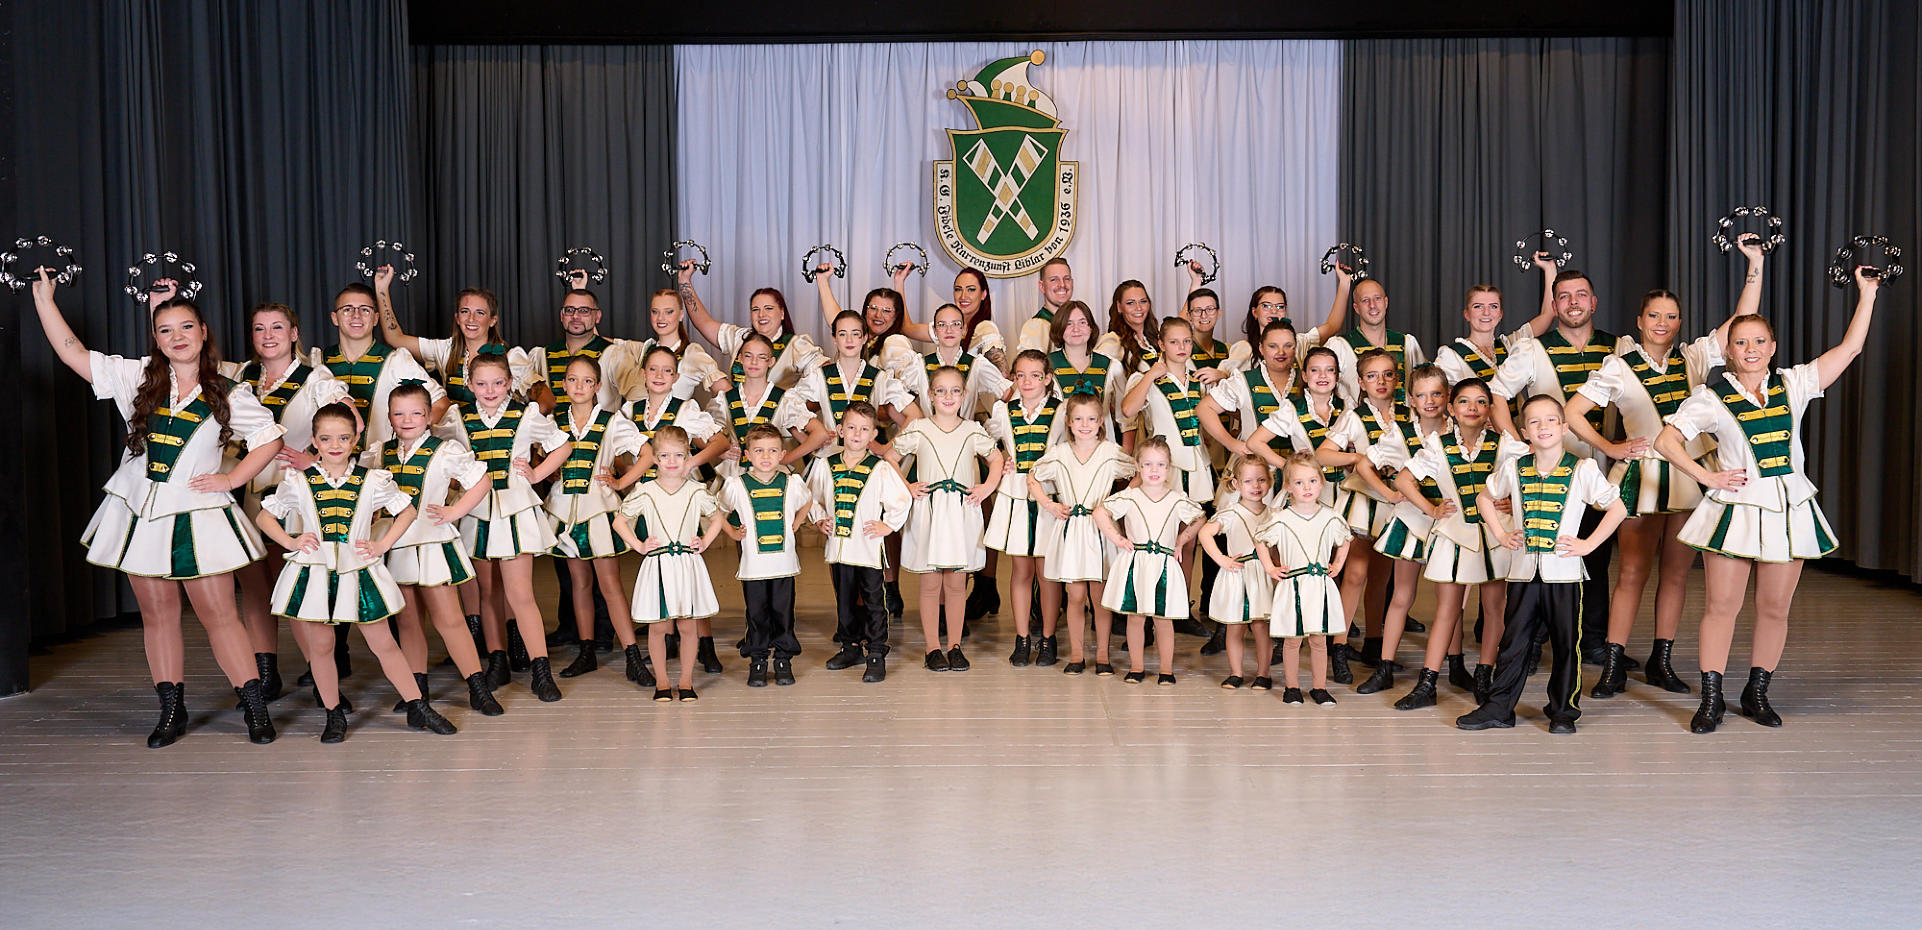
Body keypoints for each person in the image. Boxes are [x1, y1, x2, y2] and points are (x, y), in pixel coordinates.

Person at [32, 272, 286, 746]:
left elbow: (269, 439)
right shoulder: (136, 378)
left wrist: (231, 480)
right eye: (166, 330)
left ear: (203, 331)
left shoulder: (230, 391)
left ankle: (254, 707)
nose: (177, 337)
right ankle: (172, 711)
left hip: (199, 516)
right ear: (156, 337)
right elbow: (71, 353)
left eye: (186, 327)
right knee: (158, 616)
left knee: (220, 616)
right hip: (141, 515)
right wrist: (44, 299)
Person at [1654, 265, 1882, 733]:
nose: (1751, 349)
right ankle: (1712, 699)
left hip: (1789, 508)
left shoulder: (1794, 384)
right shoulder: (1710, 397)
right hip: (1736, 509)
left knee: (1775, 608)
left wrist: (1868, 293)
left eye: (1759, 341)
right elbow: (1665, 441)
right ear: (1729, 351)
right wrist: (1706, 476)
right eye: (1741, 342)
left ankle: (1756, 692)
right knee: (1722, 607)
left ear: (1773, 347)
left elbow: (1850, 349)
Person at [256, 403, 458, 742]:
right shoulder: (299, 481)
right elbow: (265, 517)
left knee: (384, 643)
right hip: (316, 571)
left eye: (343, 438)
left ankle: (418, 706)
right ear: (314, 442)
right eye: (326, 438)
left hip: (359, 570)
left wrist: (383, 545)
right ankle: (333, 713)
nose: (335, 445)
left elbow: (407, 512)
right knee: (322, 646)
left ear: (354, 440)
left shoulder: (372, 480)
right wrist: (291, 541)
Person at [1459, 395, 1627, 734]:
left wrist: (1588, 545)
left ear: (1564, 428)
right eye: (1534, 421)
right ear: (1525, 432)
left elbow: (1618, 508)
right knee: (1513, 642)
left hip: (1564, 574)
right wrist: (1501, 534)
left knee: (1566, 644)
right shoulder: (1514, 467)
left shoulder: (1582, 468)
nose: (1543, 426)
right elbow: (1484, 498)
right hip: (1522, 574)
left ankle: (1563, 710)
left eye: (1551, 420)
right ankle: (1499, 708)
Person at [1487, 267, 1621, 665]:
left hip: (1597, 470)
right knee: (1537, 557)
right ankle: (1529, 643)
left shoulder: (1619, 348)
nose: (1573, 302)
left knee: (1595, 558)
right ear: (1554, 304)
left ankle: (1591, 640)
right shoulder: (1531, 349)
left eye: (1580, 295)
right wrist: (1517, 445)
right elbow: (1497, 393)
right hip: (1542, 472)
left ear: (1593, 302)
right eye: (1564, 296)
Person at [223, 301, 350, 701]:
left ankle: (322, 678)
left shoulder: (316, 377)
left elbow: (350, 423)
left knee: (293, 586)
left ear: (294, 334)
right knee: (254, 587)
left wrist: (315, 458)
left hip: (291, 496)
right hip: (245, 492)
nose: (268, 336)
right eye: (259, 328)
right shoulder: (241, 377)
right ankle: (266, 674)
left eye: (277, 327)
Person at [367, 380, 503, 717]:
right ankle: (418, 691)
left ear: (429, 416)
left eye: (416, 413)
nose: (407, 420)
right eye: (399, 413)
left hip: (431, 542)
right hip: (395, 545)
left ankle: (477, 687)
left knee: (450, 620)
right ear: (389, 416)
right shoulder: (379, 452)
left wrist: (455, 512)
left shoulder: (445, 450)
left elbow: (482, 481)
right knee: (408, 621)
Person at [1388, 378, 1523, 711]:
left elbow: (1533, 471)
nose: (1472, 408)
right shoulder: (1437, 445)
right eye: (1464, 401)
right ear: (1451, 408)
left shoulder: (1504, 444)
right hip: (1454, 533)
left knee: (1495, 609)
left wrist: (1512, 502)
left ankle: (1484, 676)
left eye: (1481, 401)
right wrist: (1431, 509)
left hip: (1494, 536)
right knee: (1447, 610)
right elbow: (1403, 480)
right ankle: (1428, 683)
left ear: (1489, 409)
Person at [458, 354, 572, 700]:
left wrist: (537, 474)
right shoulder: (457, 418)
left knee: (520, 594)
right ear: (469, 385)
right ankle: (498, 660)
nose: (490, 390)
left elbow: (563, 446)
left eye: (497, 382)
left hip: (516, 511)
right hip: (477, 513)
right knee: (487, 592)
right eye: (481, 383)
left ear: (509, 383)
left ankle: (541, 670)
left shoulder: (527, 415)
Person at [885, 366, 1005, 671]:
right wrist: (907, 485)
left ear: (964, 395)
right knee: (930, 583)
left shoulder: (972, 430)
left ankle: (955, 645)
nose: (948, 396)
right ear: (930, 395)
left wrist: (986, 488)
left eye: (955, 391)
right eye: (941, 391)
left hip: (961, 512)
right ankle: (932, 648)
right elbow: (890, 458)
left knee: (956, 583)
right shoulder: (919, 428)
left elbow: (996, 458)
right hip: (931, 512)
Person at [543, 356, 653, 685]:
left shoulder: (612, 420)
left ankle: (632, 656)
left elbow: (647, 454)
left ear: (598, 386)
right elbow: (539, 455)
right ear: (564, 384)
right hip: (564, 511)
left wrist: (620, 483)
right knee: (579, 584)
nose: (579, 386)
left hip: (599, 509)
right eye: (573, 379)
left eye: (587, 381)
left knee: (610, 585)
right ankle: (586, 650)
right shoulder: (552, 422)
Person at [613, 425, 730, 702]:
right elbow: (619, 521)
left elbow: (717, 518)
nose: (672, 461)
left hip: (687, 564)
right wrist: (639, 545)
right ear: (655, 458)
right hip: (658, 564)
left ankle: (686, 681)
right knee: (658, 626)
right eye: (665, 456)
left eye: (678, 455)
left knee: (688, 626)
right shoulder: (645, 491)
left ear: (687, 456)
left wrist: (705, 541)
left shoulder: (696, 490)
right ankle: (662, 682)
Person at [1358, 363, 1453, 694]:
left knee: (1450, 600)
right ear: (1411, 400)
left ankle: (1455, 666)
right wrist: (1389, 494)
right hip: (1412, 520)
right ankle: (1384, 667)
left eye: (1437, 394)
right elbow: (1364, 464)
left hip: (1449, 522)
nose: (1430, 401)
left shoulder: (1458, 429)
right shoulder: (1399, 434)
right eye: (1422, 395)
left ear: (1447, 396)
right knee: (1401, 596)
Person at [1316, 351, 1410, 680]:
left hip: (1395, 503)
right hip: (1363, 503)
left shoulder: (1408, 414)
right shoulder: (1354, 417)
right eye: (1372, 376)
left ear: (1397, 379)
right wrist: (1358, 459)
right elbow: (1323, 454)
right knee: (1355, 575)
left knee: (1381, 579)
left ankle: (1374, 643)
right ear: (1360, 382)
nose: (1380, 382)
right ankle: (1339, 648)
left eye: (1387, 374)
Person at [1029, 392, 1136, 676]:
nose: (1084, 425)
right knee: (1075, 595)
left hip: (1099, 530)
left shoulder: (1111, 452)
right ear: (1068, 422)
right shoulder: (1060, 453)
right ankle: (1077, 655)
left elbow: (1137, 472)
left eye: (1091, 419)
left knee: (1099, 598)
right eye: (1078, 419)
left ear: (1101, 422)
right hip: (1072, 531)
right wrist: (1049, 504)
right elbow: (1033, 477)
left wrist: (1116, 504)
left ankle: (1102, 655)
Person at [809, 402, 914, 682]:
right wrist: (820, 519)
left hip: (867, 549)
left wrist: (888, 525)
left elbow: (902, 499)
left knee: (873, 601)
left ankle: (876, 652)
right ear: (840, 430)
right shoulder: (825, 465)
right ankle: (850, 647)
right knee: (844, 601)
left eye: (864, 429)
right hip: (838, 549)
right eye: (852, 427)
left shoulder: (880, 469)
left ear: (873, 435)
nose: (857, 434)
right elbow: (811, 498)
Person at [1097, 436, 1206, 685]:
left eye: (1160, 465)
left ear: (1169, 468)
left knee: (1163, 619)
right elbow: (1101, 512)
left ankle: (1166, 670)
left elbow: (1200, 518)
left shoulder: (1176, 499)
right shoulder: (1130, 496)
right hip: (1137, 564)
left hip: (1164, 565)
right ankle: (1136, 667)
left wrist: (1181, 540)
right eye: (1147, 464)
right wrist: (1117, 538)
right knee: (1136, 617)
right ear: (1138, 466)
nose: (1154, 470)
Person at [717, 425, 818, 687]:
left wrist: (797, 522)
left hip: (784, 565)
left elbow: (807, 500)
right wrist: (732, 532)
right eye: (759, 450)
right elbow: (717, 510)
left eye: (772, 451)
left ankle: (783, 659)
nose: (765, 456)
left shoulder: (791, 483)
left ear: (782, 454)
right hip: (754, 567)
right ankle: (758, 660)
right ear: (747, 455)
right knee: (756, 615)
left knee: (783, 614)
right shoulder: (737, 485)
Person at [1257, 452, 1355, 706]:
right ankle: (1292, 688)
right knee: (1292, 639)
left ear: (1321, 482)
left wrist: (1337, 564)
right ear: (1288, 487)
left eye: (1312, 481)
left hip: (1319, 586)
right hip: (1294, 586)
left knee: (1319, 639)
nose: (1307, 487)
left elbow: (1345, 540)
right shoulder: (1281, 519)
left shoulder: (1330, 517)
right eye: (1299, 482)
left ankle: (1319, 688)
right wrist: (1270, 567)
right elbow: (1261, 541)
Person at [984, 350, 1063, 665]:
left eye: (1035, 375)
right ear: (1013, 378)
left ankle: (1048, 638)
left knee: (1047, 573)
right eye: (1021, 375)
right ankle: (1022, 638)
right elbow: (988, 444)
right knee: (1021, 570)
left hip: (1049, 496)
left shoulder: (1062, 410)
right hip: (1015, 495)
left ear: (1047, 378)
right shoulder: (1004, 411)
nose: (1027, 381)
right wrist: (1002, 459)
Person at [677, 263, 822, 390]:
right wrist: (684, 281)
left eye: (768, 308)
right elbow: (703, 322)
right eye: (755, 309)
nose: (761, 314)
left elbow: (824, 377)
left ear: (782, 313)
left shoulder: (796, 345)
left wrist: (801, 407)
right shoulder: (740, 337)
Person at [1201, 456, 1276, 690]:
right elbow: (1204, 533)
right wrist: (1221, 558)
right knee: (1235, 626)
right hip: (1238, 573)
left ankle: (1263, 674)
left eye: (1261, 480)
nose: (1256, 486)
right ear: (1236, 484)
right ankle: (1236, 673)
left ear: (1270, 481)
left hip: (1263, 574)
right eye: (1249, 481)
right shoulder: (1231, 513)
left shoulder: (1274, 514)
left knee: (1261, 627)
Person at [1322, 266, 1427, 408]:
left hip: (1405, 420)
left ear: (1386, 302)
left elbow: (1425, 385)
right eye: (1365, 300)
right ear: (1356, 308)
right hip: (1356, 421)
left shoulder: (1407, 343)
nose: (1372, 305)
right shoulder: (1339, 346)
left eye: (1377, 299)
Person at [1016, 256, 1078, 352]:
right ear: (1042, 286)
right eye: (1054, 280)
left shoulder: (1080, 324)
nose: (1062, 284)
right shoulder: (1036, 327)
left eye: (1066, 279)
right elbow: (1029, 361)